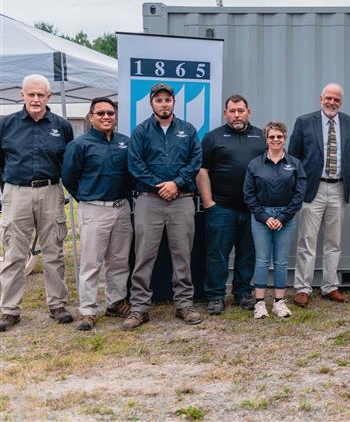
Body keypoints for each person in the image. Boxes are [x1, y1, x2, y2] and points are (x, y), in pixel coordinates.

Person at [124, 83, 202, 330]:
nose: (164, 104)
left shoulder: (188, 130)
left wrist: (176, 184)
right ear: (151, 104)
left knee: (182, 254)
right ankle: (139, 308)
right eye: (159, 100)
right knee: (144, 255)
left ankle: (184, 304)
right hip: (149, 200)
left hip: (182, 200)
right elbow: (135, 165)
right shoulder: (141, 131)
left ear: (174, 103)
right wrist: (160, 186)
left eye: (167, 99)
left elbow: (195, 162)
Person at [0, 74, 75, 331]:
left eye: (40, 95)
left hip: (51, 191)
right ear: (22, 95)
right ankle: (10, 310)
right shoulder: (6, 124)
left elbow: (69, 162)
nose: (35, 99)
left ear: (48, 97)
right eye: (30, 94)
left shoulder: (62, 126)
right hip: (16, 192)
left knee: (54, 250)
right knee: (14, 253)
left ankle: (57, 305)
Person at [61, 97, 133, 331]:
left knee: (119, 261)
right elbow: (69, 178)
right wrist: (86, 197)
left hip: (122, 208)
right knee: (91, 263)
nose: (106, 117)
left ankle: (115, 302)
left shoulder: (125, 142)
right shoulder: (80, 145)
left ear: (115, 116)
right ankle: (88, 310)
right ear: (91, 117)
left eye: (110, 113)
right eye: (100, 113)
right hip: (94, 209)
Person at [289, 84, 350, 307]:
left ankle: (330, 286)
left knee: (333, 241)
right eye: (328, 98)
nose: (332, 103)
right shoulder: (304, 122)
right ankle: (303, 287)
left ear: (341, 102)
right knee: (307, 240)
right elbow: (294, 156)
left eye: (337, 99)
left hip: (338, 188)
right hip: (313, 188)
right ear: (321, 98)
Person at [197, 95, 266, 315]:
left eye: (240, 110)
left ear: (249, 112)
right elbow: (202, 170)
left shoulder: (261, 137)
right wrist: (208, 202)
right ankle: (216, 295)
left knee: (248, 252)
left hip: (252, 209)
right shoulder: (212, 137)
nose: (237, 115)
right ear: (225, 113)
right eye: (232, 111)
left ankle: (243, 293)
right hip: (221, 208)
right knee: (217, 253)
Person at [243, 122, 306, 319]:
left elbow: (299, 193)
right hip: (261, 217)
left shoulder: (294, 164)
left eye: (279, 136)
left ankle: (279, 302)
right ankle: (260, 303)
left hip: (285, 218)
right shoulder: (255, 164)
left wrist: (283, 217)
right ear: (266, 139)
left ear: (284, 137)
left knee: (281, 261)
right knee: (262, 261)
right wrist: (265, 217)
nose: (276, 140)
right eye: (272, 137)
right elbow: (248, 194)